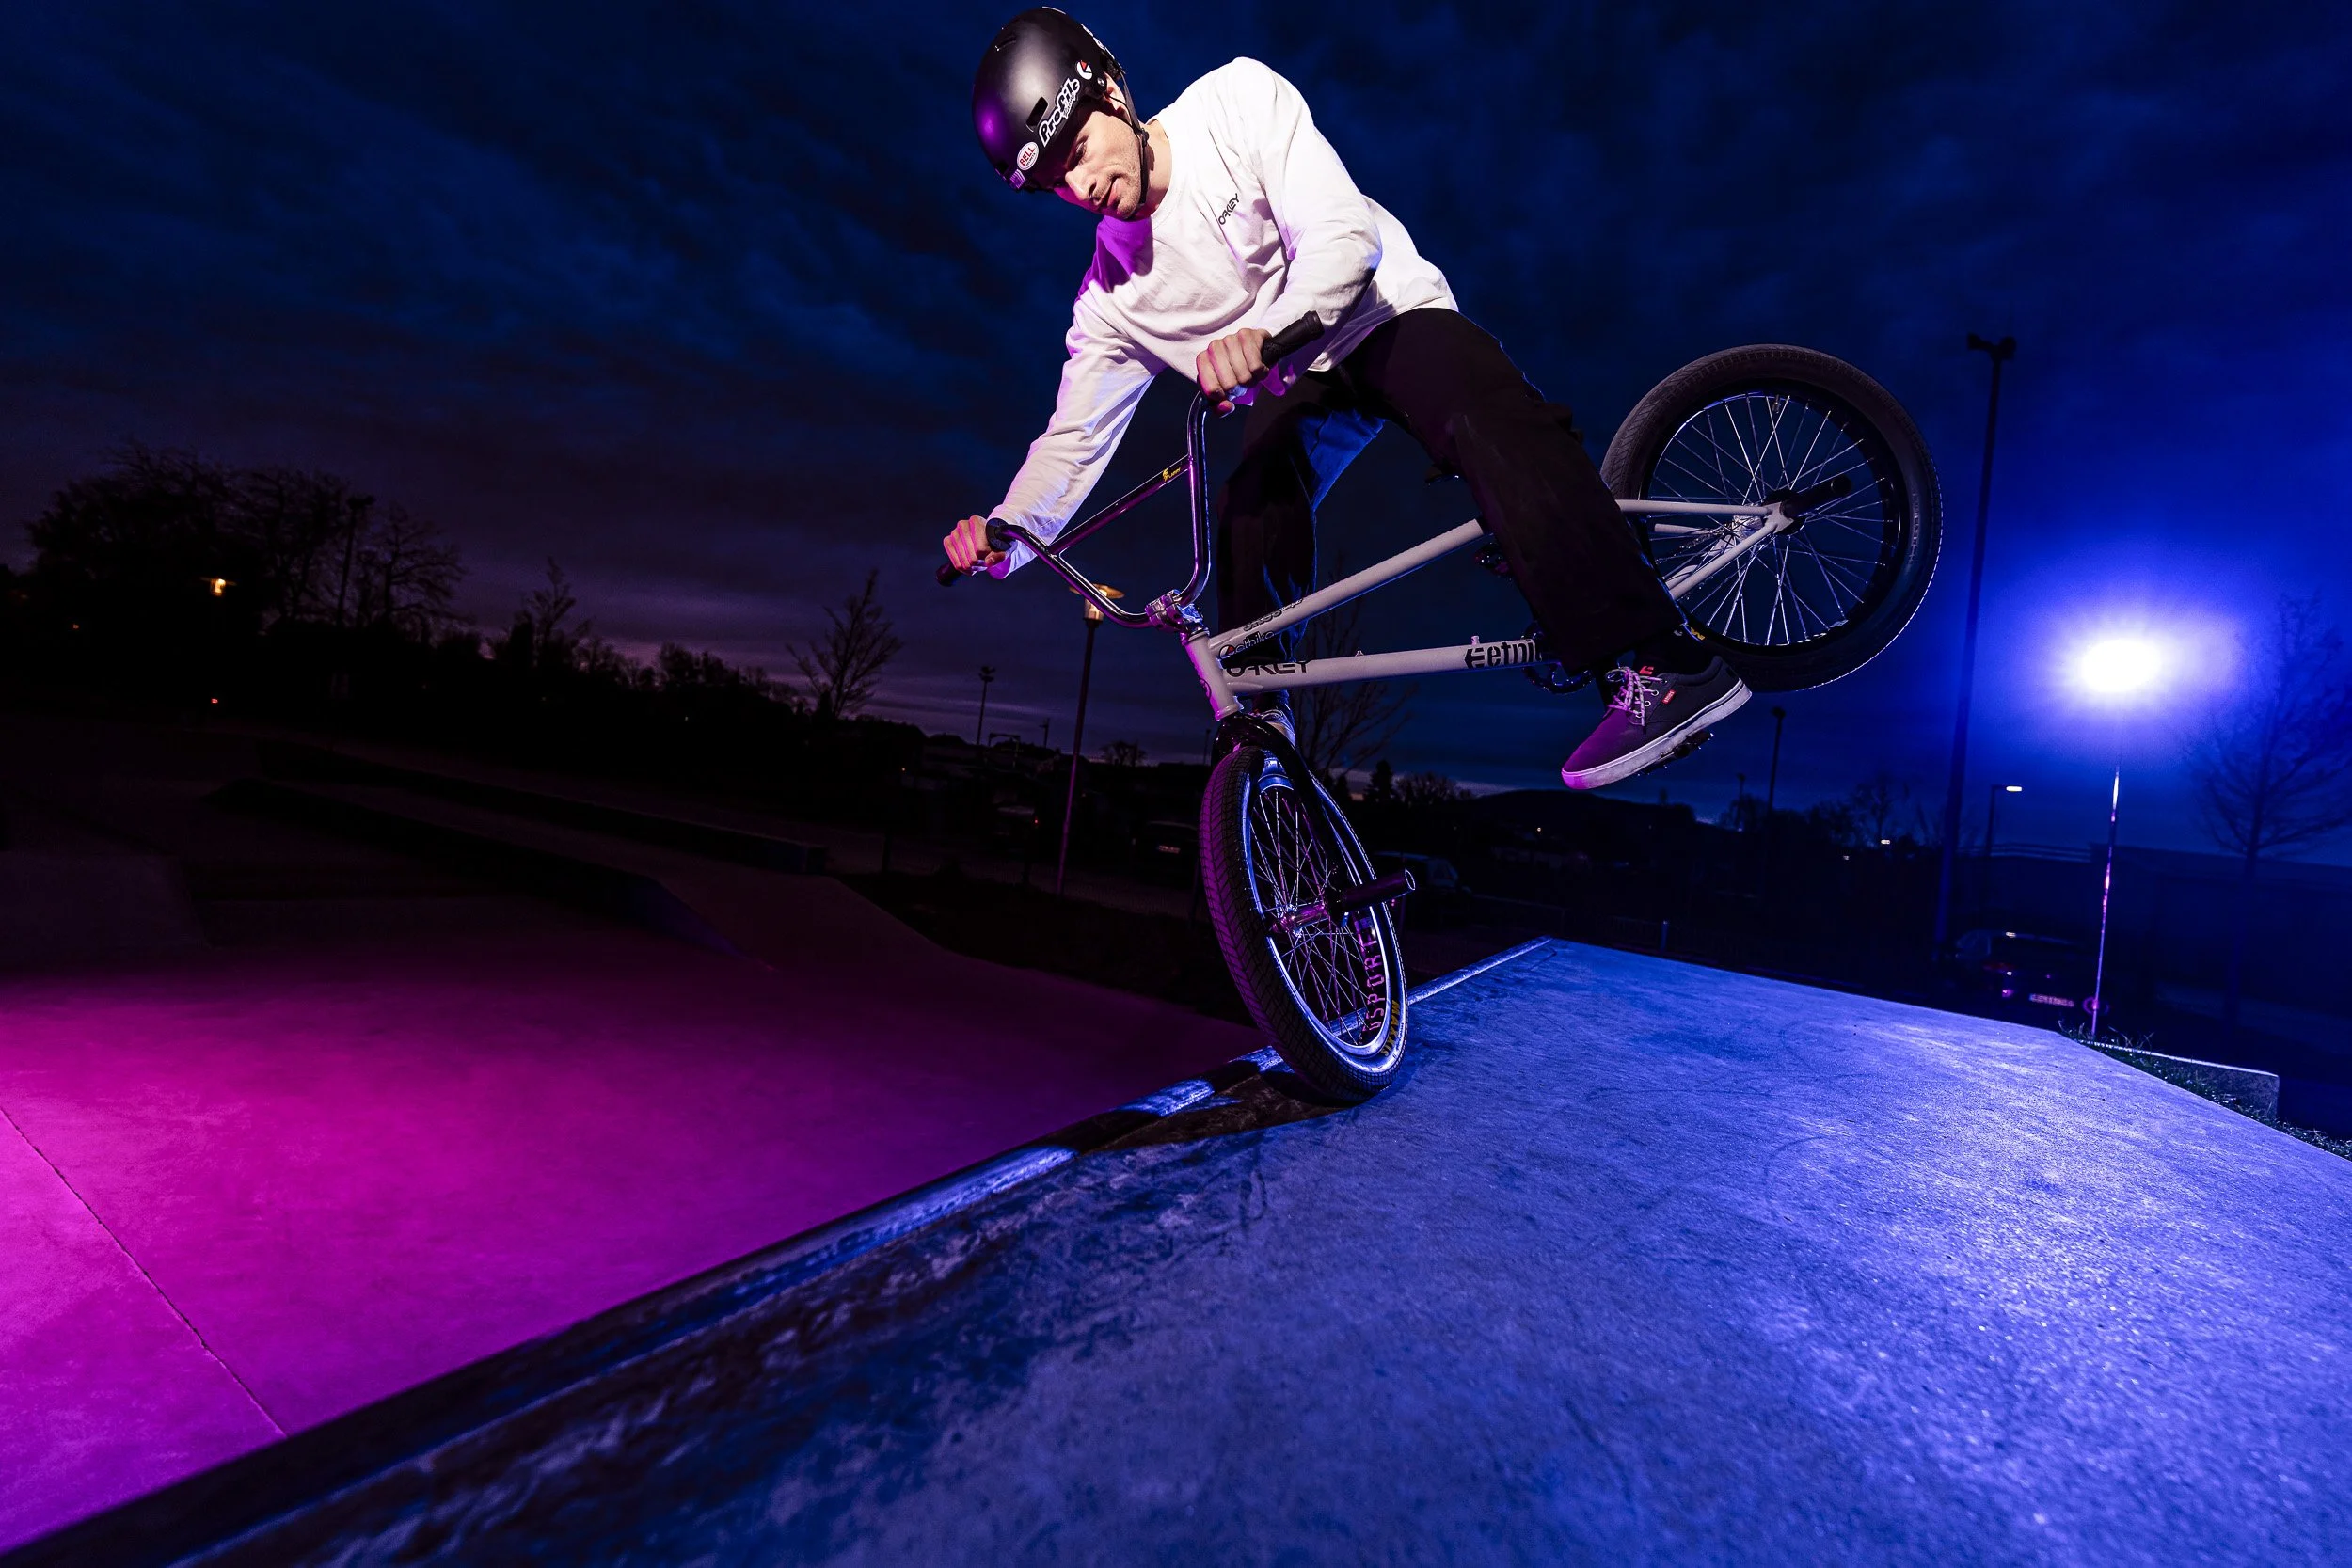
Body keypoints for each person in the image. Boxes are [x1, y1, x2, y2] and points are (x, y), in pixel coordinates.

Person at [943, 8, 1748, 789]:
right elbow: (1073, 436)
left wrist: (1260, 336)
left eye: (1080, 150)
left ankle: (1657, 660)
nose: (1083, 185)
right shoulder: (1110, 296)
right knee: (1250, 502)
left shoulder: (1234, 102)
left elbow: (1342, 235)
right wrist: (1008, 534)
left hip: (1379, 314)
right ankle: (1264, 727)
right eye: (1056, 182)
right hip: (1302, 387)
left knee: (1477, 409)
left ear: (1112, 94)